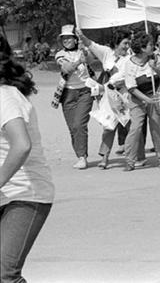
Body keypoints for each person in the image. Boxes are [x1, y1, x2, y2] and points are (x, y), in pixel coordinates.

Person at [1, 37, 54, 283]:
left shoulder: (5, 97)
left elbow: (21, 146)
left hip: (25, 195)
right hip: (7, 194)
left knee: (4, 274)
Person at [76, 28, 137, 169]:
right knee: (108, 126)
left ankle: (132, 156)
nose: (127, 46)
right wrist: (81, 36)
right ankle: (105, 156)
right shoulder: (106, 53)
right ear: (116, 43)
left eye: (129, 43)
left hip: (125, 95)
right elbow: (91, 44)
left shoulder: (130, 58)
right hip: (108, 96)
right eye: (125, 43)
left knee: (129, 126)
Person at [119, 32, 160, 170]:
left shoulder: (154, 58)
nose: (153, 46)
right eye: (150, 45)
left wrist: (155, 67)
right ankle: (129, 160)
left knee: (157, 127)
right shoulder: (130, 63)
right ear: (142, 48)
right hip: (137, 99)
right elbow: (131, 87)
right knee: (135, 128)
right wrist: (146, 100)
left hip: (154, 96)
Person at [53, 25, 96, 169]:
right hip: (68, 94)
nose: (66, 40)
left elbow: (91, 60)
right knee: (73, 128)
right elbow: (67, 68)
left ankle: (82, 157)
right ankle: (79, 155)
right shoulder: (60, 54)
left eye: (69, 37)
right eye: (63, 38)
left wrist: (85, 52)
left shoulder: (83, 51)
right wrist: (79, 61)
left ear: (75, 39)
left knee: (79, 124)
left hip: (85, 91)